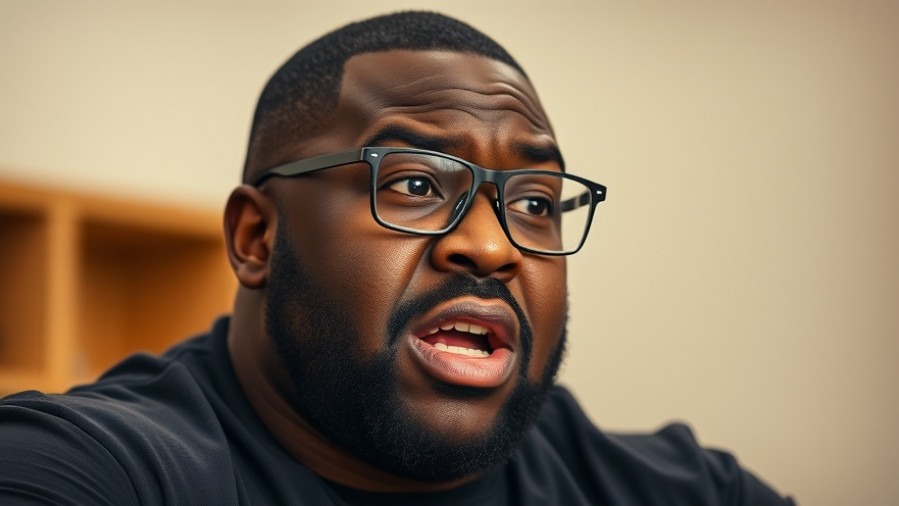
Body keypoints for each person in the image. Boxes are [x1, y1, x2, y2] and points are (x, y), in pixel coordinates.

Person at [0, 11, 795, 505]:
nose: (490, 246)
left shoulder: (684, 490)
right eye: (414, 182)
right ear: (257, 239)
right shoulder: (96, 468)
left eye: (534, 204)